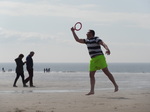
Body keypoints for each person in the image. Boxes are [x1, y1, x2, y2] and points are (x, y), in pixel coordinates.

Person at [71, 28, 118, 95]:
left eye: (87, 32)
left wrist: (107, 49)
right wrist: (73, 31)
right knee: (91, 75)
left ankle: (115, 85)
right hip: (93, 59)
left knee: (106, 72)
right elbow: (77, 40)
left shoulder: (96, 39)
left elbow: (103, 44)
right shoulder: (86, 40)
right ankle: (92, 91)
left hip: (100, 57)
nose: (86, 33)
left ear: (91, 33)